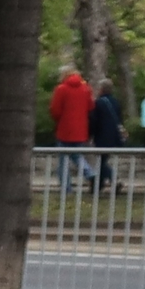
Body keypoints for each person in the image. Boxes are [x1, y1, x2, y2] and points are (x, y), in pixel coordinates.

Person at [49, 63, 95, 192]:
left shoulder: (61, 89)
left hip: (64, 129)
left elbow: (55, 110)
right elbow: (91, 107)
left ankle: (66, 187)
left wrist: (58, 120)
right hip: (80, 130)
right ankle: (90, 173)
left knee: (63, 159)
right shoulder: (85, 88)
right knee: (77, 155)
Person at [90, 77, 125, 188]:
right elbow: (119, 119)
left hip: (102, 136)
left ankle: (113, 179)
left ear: (102, 89)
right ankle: (98, 185)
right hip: (114, 135)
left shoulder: (99, 103)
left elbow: (94, 121)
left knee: (101, 161)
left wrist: (90, 134)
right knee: (102, 160)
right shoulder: (116, 102)